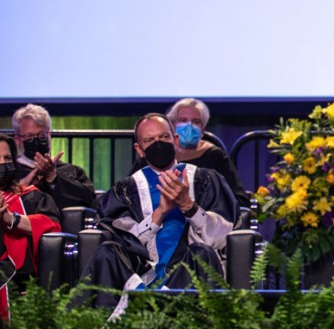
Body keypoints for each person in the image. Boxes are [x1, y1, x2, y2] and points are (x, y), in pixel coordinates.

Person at [78, 113, 238, 309]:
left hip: (189, 269)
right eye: (149, 140)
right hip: (141, 272)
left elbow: (221, 238)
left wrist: (188, 206)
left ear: (175, 140)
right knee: (106, 251)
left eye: (164, 137)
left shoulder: (204, 180)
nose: (158, 144)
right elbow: (123, 242)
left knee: (202, 252)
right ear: (139, 149)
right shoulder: (126, 191)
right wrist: (159, 213)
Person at [130, 98, 250, 208]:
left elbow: (238, 200)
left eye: (196, 121)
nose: (189, 126)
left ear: (202, 130)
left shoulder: (215, 156)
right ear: (172, 126)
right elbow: (129, 194)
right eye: (183, 120)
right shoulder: (154, 153)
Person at [0, 133, 61, 320]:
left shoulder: (30, 196)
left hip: (18, 278)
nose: (3, 164)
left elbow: (52, 225)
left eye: (7, 158)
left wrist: (10, 218)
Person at [12, 103, 97, 210]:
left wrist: (53, 177)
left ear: (49, 136)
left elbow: (89, 201)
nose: (36, 141)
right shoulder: (10, 173)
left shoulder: (73, 171)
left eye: (41, 135)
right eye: (29, 137)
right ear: (17, 140)